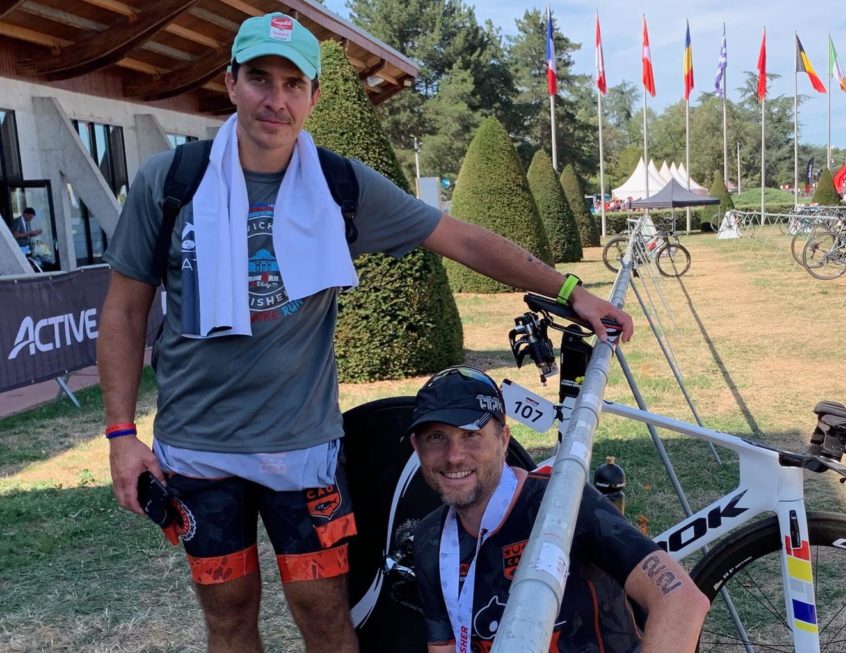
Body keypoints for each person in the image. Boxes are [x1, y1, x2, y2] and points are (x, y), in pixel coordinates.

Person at [96, 11, 633, 653]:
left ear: (314, 97)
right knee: (229, 616)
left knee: (326, 617)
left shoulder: (338, 185)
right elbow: (124, 311)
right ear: (231, 82)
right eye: (260, 78)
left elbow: (461, 238)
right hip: (198, 449)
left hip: (302, 448)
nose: (276, 99)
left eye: (293, 84)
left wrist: (570, 293)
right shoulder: (170, 181)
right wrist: (121, 435)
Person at [410, 367, 709, 652]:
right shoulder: (430, 539)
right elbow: (445, 646)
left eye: (471, 434)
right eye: (436, 437)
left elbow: (681, 600)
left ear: (503, 439)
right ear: (416, 445)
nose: (454, 456)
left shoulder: (563, 502)